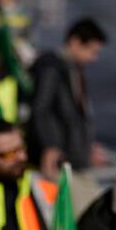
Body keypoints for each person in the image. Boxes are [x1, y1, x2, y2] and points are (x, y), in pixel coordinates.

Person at [28, 17, 107, 178]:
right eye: (92, 51)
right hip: (58, 158)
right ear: (75, 42)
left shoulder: (73, 69)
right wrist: (50, 145)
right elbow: (41, 109)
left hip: (72, 156)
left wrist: (87, 146)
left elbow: (78, 113)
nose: (94, 58)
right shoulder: (51, 69)